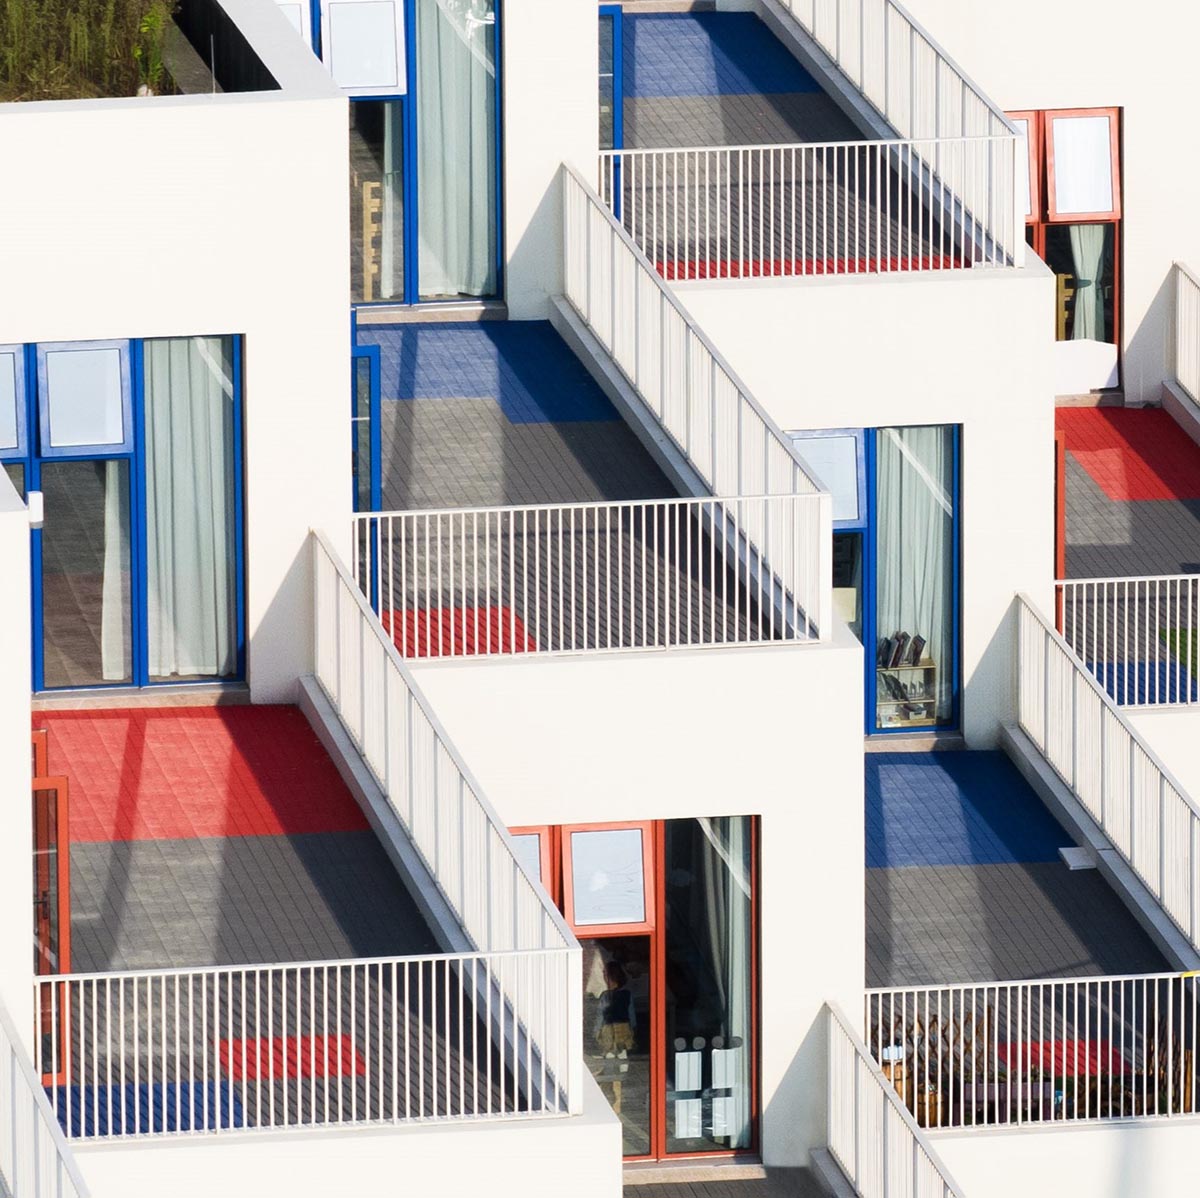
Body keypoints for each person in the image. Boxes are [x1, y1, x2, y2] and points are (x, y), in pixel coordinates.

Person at [596, 959, 636, 1114]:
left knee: (611, 1063)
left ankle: (613, 1098)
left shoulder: (605, 996)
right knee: (620, 1064)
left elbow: (600, 1017)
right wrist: (633, 1029)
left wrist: (595, 1033)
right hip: (622, 1031)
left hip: (609, 1031)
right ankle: (616, 1099)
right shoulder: (627, 994)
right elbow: (631, 1015)